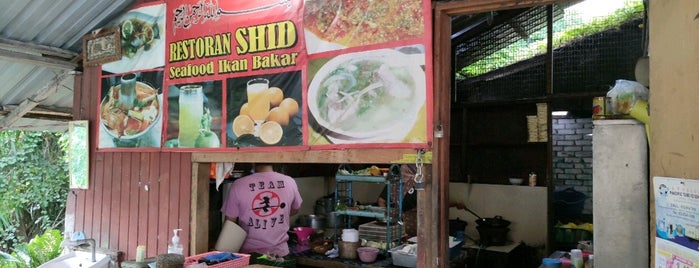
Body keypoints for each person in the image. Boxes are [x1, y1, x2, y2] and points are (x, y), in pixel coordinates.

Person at [221, 163, 303, 258]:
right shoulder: (289, 181)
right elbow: (295, 210)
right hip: (280, 255)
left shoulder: (239, 184)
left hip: (250, 256)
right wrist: (276, 215)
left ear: (252, 161)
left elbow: (230, 223)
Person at [377, 164, 419, 236]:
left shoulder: (419, 183)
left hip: (414, 228)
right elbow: (381, 200)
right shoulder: (394, 181)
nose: (403, 174)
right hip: (394, 228)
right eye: (402, 170)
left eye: (406, 171)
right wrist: (386, 216)